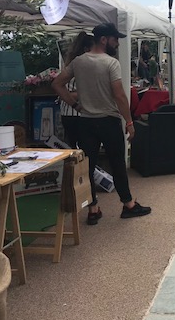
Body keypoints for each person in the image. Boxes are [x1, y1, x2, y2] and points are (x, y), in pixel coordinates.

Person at [52, 22, 152, 225]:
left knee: (88, 166)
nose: (117, 43)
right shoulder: (111, 63)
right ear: (104, 40)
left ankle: (93, 208)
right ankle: (128, 204)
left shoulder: (78, 62)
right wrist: (130, 121)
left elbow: (56, 84)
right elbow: (119, 95)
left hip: (86, 121)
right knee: (117, 163)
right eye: (115, 39)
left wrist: (75, 104)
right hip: (108, 120)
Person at [60, 32, 94, 148]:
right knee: (82, 147)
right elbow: (64, 90)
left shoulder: (71, 63)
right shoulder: (78, 65)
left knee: (75, 146)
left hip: (69, 113)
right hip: (76, 113)